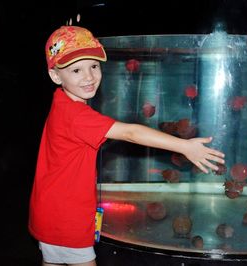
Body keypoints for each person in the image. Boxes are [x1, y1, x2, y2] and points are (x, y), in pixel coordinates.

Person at [29, 25, 225, 266]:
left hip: (48, 214)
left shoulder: (61, 102)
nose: (89, 76)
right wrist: (184, 146)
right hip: (67, 220)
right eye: (76, 70)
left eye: (94, 66)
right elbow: (131, 132)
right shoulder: (76, 116)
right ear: (56, 76)